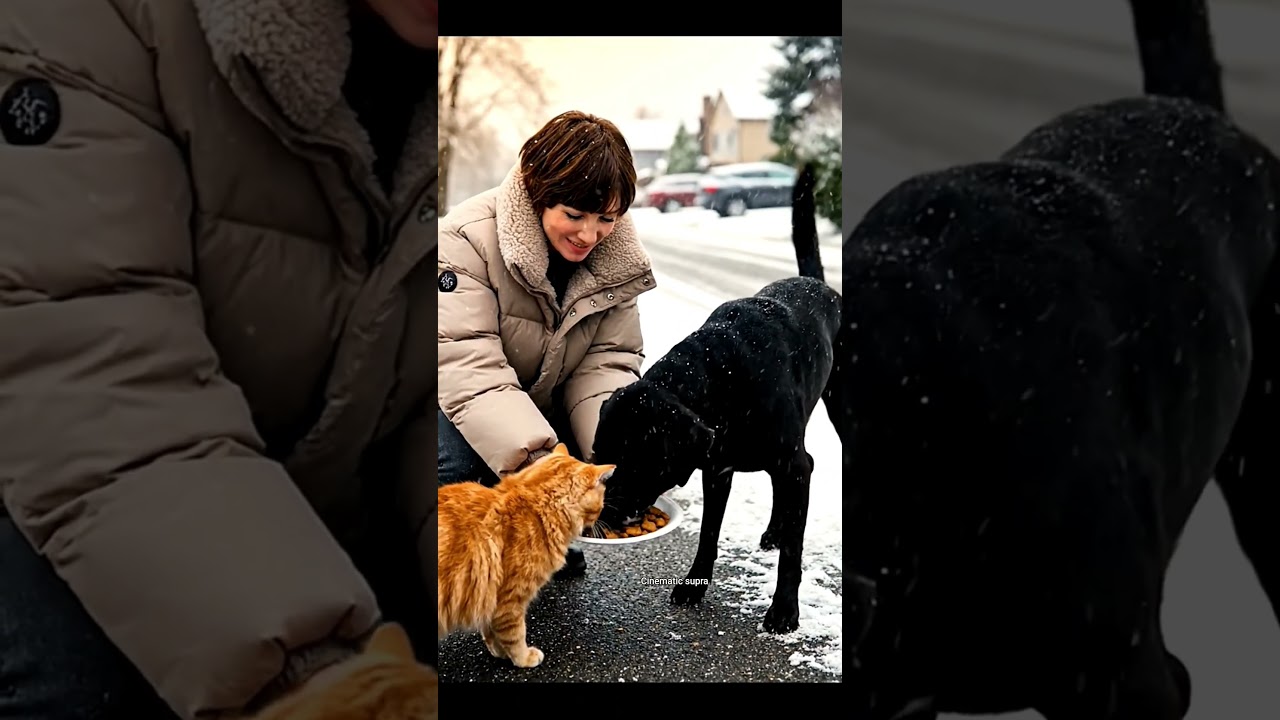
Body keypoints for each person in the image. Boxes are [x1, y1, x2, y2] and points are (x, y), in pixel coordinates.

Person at [0, 1, 439, 718]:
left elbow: (436, 404)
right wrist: (320, 677)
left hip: (313, 535)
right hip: (60, 502)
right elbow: (94, 380)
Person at [436, 110, 656, 576]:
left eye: (606, 218)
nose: (589, 235)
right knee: (455, 472)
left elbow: (605, 366)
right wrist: (551, 474)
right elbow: (469, 369)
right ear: (538, 193)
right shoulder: (464, 240)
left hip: (537, 398)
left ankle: (550, 531)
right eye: (573, 215)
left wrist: (609, 459)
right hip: (447, 397)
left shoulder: (619, 266)